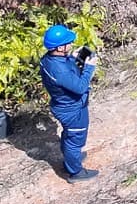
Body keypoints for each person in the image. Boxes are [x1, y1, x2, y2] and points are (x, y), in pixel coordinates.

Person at [39, 24, 99, 182]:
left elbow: (66, 73)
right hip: (72, 109)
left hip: (65, 106)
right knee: (75, 138)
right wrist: (89, 68)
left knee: (70, 135)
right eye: (68, 42)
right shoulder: (58, 70)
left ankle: (72, 158)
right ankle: (75, 171)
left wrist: (73, 57)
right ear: (59, 47)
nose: (71, 44)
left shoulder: (49, 59)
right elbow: (80, 87)